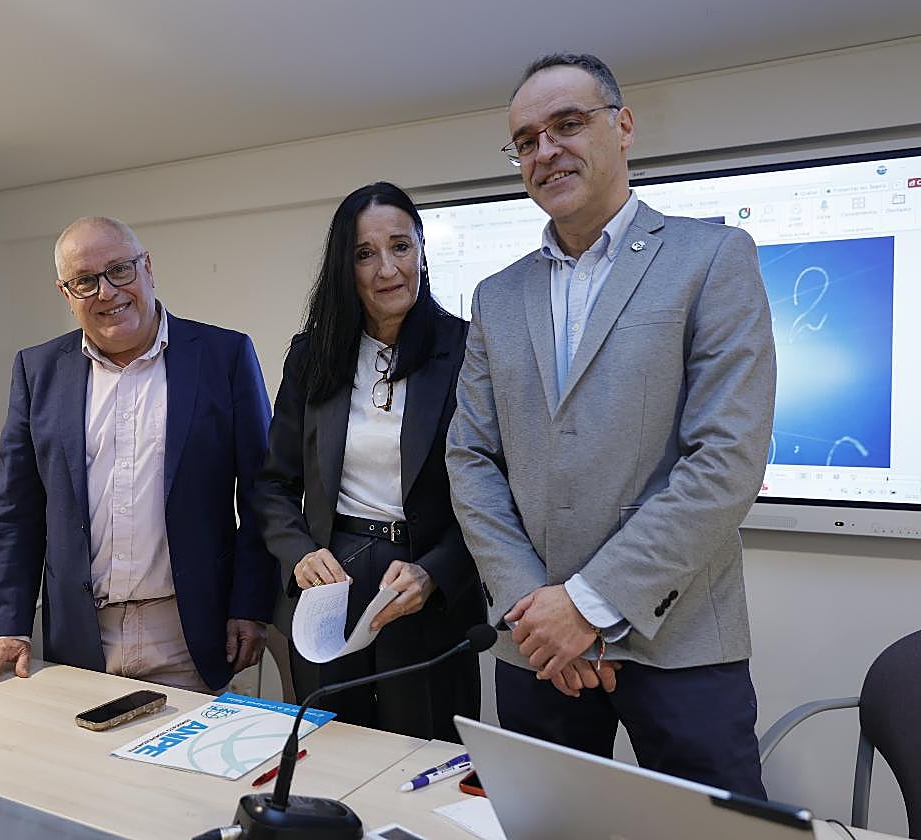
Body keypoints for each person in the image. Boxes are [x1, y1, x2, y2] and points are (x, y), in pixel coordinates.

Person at [446, 53, 775, 797]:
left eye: (567, 124)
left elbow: (726, 459)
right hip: (537, 652)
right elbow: (470, 459)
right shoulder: (496, 298)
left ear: (623, 127)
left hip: (682, 640)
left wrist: (588, 607)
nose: (545, 151)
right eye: (526, 140)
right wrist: (539, 611)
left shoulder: (712, 258)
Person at [0, 217, 278, 693]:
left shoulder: (222, 356)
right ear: (66, 294)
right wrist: (9, 625)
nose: (106, 292)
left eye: (119, 270)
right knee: (79, 766)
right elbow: (16, 512)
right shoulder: (37, 370)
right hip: (80, 641)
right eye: (85, 281)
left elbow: (261, 493)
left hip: (190, 634)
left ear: (147, 268)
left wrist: (250, 605)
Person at [256, 182, 484, 741]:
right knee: (331, 749)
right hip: (331, 582)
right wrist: (300, 554)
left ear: (423, 251)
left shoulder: (469, 348)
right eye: (365, 254)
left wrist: (437, 570)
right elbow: (273, 485)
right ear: (344, 268)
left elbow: (498, 489)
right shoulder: (312, 356)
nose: (388, 269)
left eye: (401, 247)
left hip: (423, 584)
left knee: (423, 756)